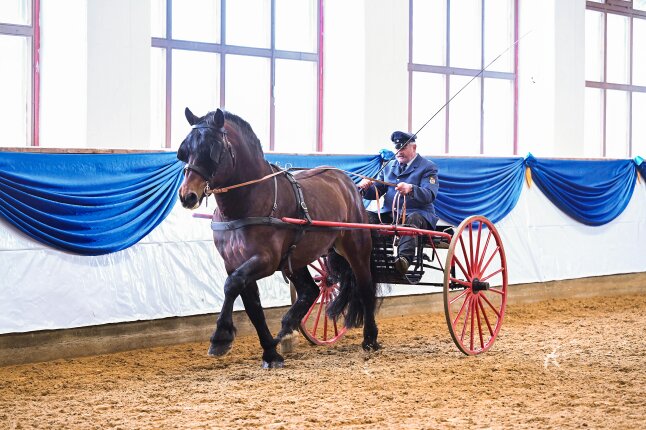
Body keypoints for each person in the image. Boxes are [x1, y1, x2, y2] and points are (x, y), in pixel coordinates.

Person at [358, 131, 439, 274]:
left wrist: (411, 189)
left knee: (412, 218)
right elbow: (377, 191)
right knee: (364, 216)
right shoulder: (389, 166)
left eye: (403, 148)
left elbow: (430, 195)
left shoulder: (428, 167)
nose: (399, 152)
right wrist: (366, 188)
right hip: (390, 214)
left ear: (414, 148)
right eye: (397, 149)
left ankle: (404, 260)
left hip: (419, 214)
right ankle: (366, 257)